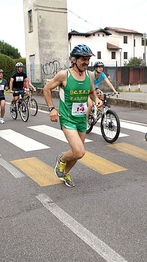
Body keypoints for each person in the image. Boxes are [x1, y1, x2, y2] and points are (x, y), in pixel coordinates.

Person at [43, 44, 103, 187]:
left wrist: (96, 99)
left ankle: (65, 173)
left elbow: (91, 92)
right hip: (67, 118)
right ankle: (62, 159)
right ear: (74, 60)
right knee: (79, 151)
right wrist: (51, 109)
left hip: (82, 118)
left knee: (77, 154)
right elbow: (46, 88)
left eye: (88, 59)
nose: (86, 62)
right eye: (83, 59)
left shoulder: (89, 75)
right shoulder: (64, 75)